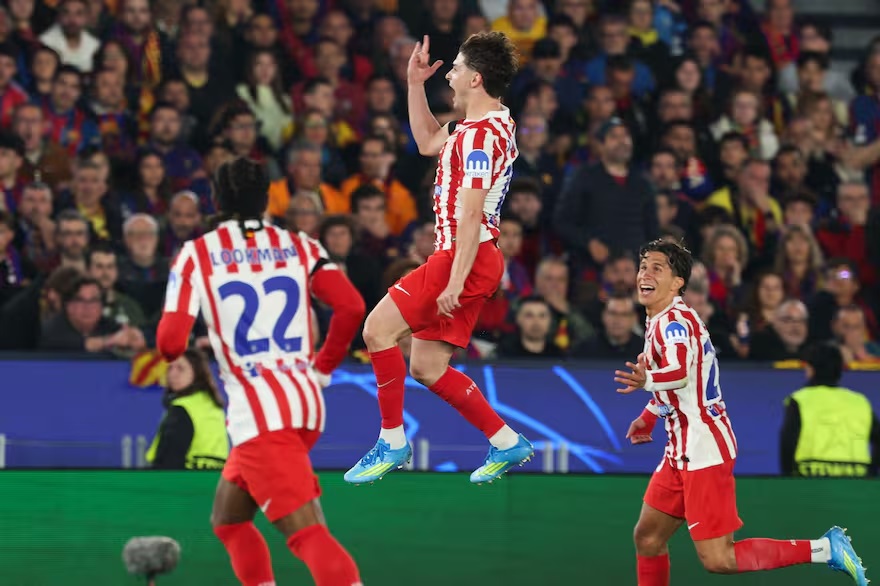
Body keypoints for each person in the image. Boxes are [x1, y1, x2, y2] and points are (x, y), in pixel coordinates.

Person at [156, 157, 366, 586]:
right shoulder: (301, 246)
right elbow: (351, 307)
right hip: (305, 403)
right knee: (228, 520)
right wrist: (323, 366)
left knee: (308, 535)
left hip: (260, 416)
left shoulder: (196, 255)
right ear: (267, 198)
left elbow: (170, 345)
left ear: (216, 199)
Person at [613, 239, 867, 586]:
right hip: (681, 450)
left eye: (657, 268)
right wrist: (651, 414)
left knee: (719, 559)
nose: (645, 273)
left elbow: (678, 372)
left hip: (703, 449)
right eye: (643, 266)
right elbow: (683, 383)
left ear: (678, 283)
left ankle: (825, 549)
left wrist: (648, 381)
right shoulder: (661, 319)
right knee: (648, 538)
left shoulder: (674, 323)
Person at [344, 32, 534, 486]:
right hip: (473, 258)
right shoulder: (486, 126)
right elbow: (429, 141)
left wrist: (454, 281)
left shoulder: (479, 139)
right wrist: (413, 84)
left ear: (476, 78)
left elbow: (471, 218)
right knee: (427, 367)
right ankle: (507, 441)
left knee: (376, 330)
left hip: (464, 257)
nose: (448, 74)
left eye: (456, 68)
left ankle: (391, 439)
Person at [780, 342, 880, 478]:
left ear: (810, 370)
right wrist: (871, 473)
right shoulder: (860, 401)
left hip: (811, 480)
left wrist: (788, 479)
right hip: (856, 481)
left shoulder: (800, 400)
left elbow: (787, 444)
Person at [146, 348, 229, 470]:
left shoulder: (182, 408)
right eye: (170, 368)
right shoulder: (215, 408)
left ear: (197, 372)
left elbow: (169, 460)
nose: (173, 374)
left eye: (180, 368)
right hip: (215, 482)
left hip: (184, 482)